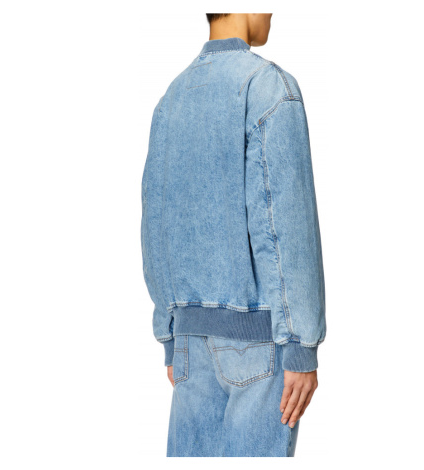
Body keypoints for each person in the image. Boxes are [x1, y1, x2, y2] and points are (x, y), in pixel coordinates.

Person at [141, 13, 326, 457]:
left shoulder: (171, 98)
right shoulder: (268, 88)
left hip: (189, 342)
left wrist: (171, 335)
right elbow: (284, 222)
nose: (273, 14)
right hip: (259, 341)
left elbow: (155, 223)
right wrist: (302, 344)